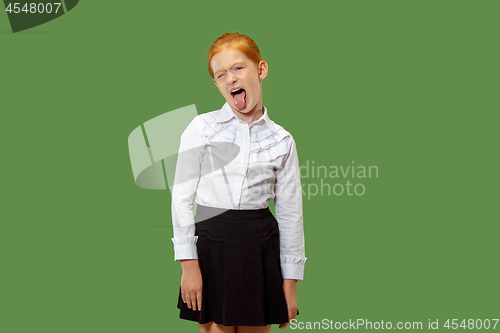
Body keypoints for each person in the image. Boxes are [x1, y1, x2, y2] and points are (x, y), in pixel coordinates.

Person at [171, 32, 306, 333]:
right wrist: (188, 264)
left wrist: (290, 282)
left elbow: (290, 213)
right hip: (211, 246)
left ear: (260, 70)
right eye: (221, 74)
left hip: (259, 247)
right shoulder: (202, 128)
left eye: (238, 68)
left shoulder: (282, 140)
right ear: (217, 84)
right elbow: (181, 197)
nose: (230, 78)